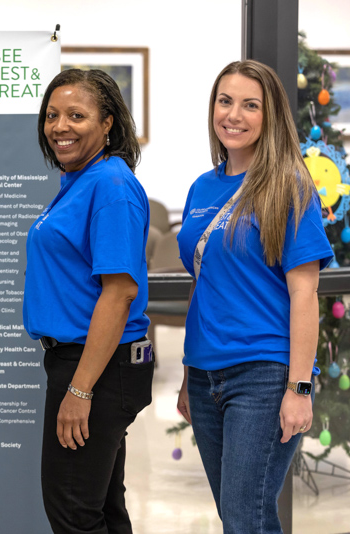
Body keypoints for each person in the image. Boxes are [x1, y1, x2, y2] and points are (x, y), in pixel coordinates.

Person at [176, 60, 333, 533]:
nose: (234, 115)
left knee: (247, 518)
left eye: (250, 105)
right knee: (239, 517)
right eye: (226, 101)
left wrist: (299, 388)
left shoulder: (289, 184)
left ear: (271, 116)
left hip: (264, 375)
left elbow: (305, 293)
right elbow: (203, 287)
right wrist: (187, 375)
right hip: (205, 377)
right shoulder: (202, 187)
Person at [23, 68, 153, 534]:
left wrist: (80, 391)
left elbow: (119, 294)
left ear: (109, 124)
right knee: (100, 508)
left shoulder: (110, 187)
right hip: (89, 363)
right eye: (52, 115)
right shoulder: (81, 181)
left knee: (73, 511)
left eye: (77, 115)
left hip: (96, 366)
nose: (60, 126)